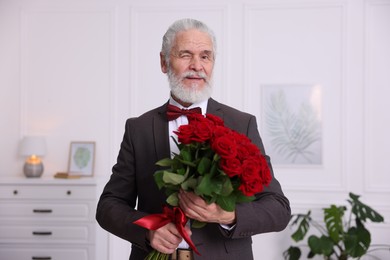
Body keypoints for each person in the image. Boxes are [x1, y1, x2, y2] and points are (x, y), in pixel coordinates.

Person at [96, 18, 291, 260]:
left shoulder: (242, 124)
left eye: (205, 56)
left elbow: (278, 208)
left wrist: (227, 215)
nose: (196, 65)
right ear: (164, 62)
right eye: (185, 55)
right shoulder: (139, 128)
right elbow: (108, 206)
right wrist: (147, 230)